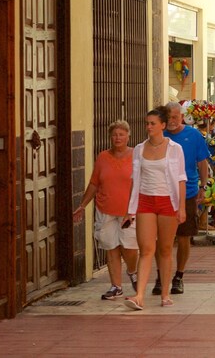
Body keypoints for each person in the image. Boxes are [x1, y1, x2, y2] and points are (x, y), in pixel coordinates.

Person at [123, 107, 187, 311]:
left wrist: (182, 208)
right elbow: (135, 179)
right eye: (147, 123)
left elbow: (181, 179)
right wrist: (130, 208)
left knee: (166, 249)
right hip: (145, 202)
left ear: (163, 125)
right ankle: (139, 295)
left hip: (168, 202)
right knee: (146, 249)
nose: (148, 127)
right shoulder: (139, 149)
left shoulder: (175, 148)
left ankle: (165, 293)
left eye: (152, 123)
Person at [72, 120, 138, 300]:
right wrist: (82, 205)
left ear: (128, 136)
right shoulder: (102, 157)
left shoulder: (136, 155)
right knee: (111, 247)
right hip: (105, 209)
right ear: (110, 137)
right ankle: (116, 286)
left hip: (129, 211)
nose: (118, 138)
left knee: (130, 246)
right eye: (114, 135)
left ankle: (132, 271)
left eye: (121, 134)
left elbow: (141, 183)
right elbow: (94, 183)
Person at [160, 102, 211, 296]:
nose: (171, 121)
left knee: (184, 237)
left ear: (181, 117)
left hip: (187, 192)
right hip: (162, 192)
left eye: (174, 117)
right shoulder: (159, 134)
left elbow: (202, 162)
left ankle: (179, 276)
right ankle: (160, 275)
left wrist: (203, 187)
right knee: (161, 239)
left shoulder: (193, 135)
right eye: (168, 117)